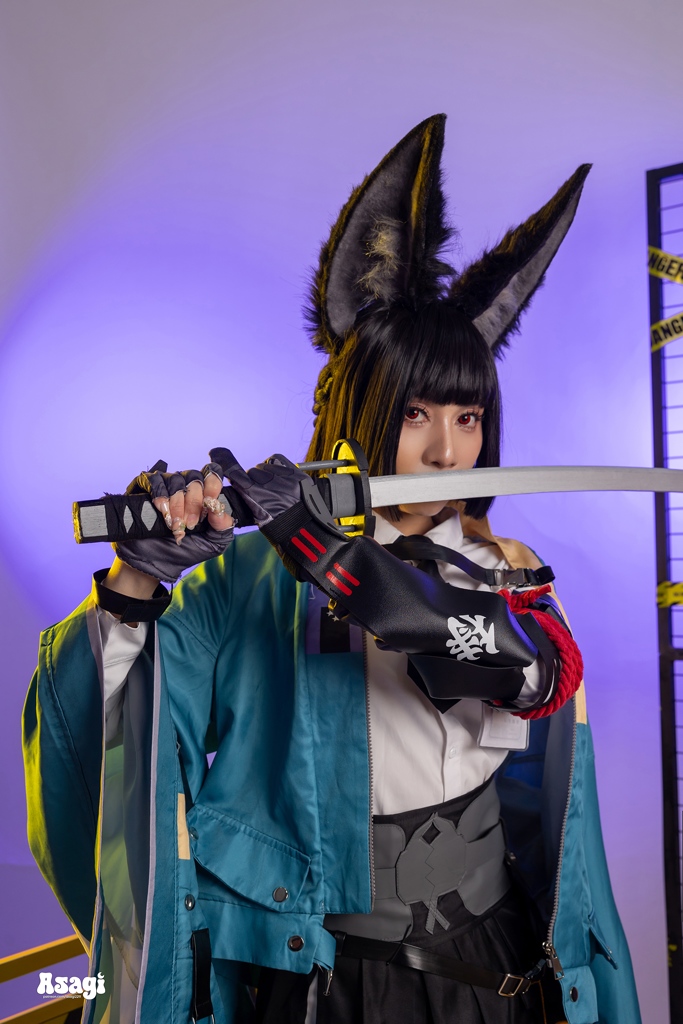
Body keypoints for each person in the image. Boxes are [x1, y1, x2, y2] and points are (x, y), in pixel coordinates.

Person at [23, 115, 640, 1024]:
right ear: (359, 405)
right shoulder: (246, 585)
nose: (444, 451)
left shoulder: (505, 571)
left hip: (494, 961)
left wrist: (331, 557)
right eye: (416, 413)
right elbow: (122, 747)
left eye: (467, 417)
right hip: (324, 976)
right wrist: (137, 581)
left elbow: (533, 673)